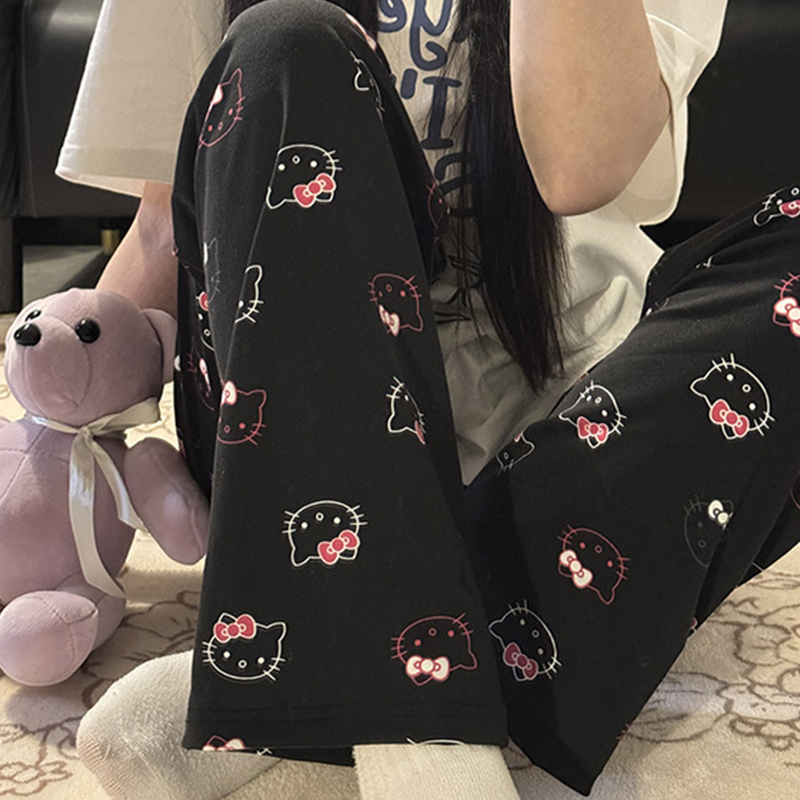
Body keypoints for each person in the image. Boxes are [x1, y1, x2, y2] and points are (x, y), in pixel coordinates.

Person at [56, 0, 800, 798]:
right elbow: (163, 223)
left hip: (573, 418)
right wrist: (49, 442)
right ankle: (426, 716)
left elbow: (579, 167)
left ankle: (305, 669)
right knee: (287, 41)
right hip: (296, 411)